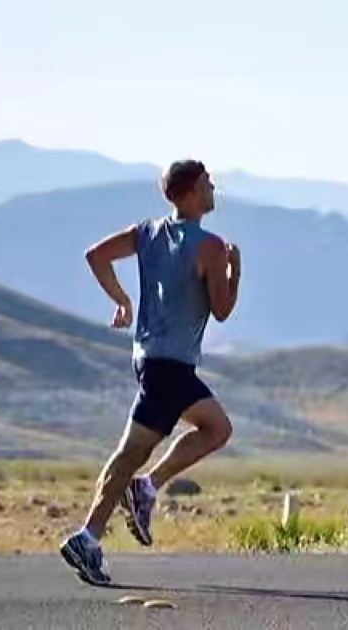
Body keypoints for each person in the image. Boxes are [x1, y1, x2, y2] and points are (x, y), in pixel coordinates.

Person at [59, 159, 239, 585]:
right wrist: (236, 270)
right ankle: (89, 536)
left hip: (150, 359)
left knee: (214, 428)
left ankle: (143, 490)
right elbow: (223, 310)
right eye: (208, 183)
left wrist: (122, 301)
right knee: (132, 453)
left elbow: (96, 256)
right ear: (192, 192)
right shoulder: (211, 246)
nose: (214, 188)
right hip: (172, 366)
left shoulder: (148, 232)